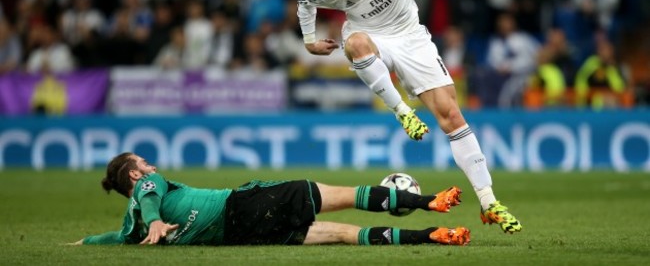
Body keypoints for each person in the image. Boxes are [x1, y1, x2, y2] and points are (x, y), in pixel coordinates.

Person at [296, 0, 522, 233]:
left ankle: (488, 202)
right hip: (371, 36)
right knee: (356, 43)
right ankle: (403, 111)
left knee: (452, 116)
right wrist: (309, 42)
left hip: (411, 38)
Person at [70, 152, 470, 246]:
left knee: (343, 234)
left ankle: (430, 236)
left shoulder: (131, 224)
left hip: (243, 234)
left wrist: (86, 242)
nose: (152, 167)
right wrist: (157, 220)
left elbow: (116, 239)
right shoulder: (146, 191)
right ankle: (429, 202)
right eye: (144, 163)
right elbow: (152, 194)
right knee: (347, 196)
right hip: (245, 204)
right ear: (135, 175)